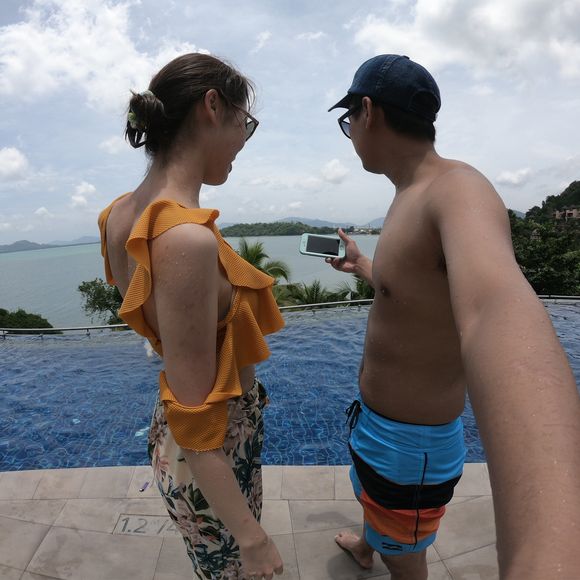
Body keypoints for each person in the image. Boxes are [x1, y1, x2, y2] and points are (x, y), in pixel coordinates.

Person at [327, 54, 580, 580]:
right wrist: (366, 267)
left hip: (409, 447)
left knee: (407, 561)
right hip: (378, 427)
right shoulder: (409, 194)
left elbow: (493, 309)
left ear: (367, 111)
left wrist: (547, 556)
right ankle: (369, 546)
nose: (350, 133)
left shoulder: (457, 189)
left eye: (348, 120)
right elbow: (416, 294)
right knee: (376, 505)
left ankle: (387, 551)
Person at [98, 53, 284, 580]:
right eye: (245, 123)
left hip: (190, 448)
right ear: (212, 106)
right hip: (213, 455)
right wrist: (252, 537)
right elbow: (196, 415)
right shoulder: (184, 238)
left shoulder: (116, 215)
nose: (243, 141)